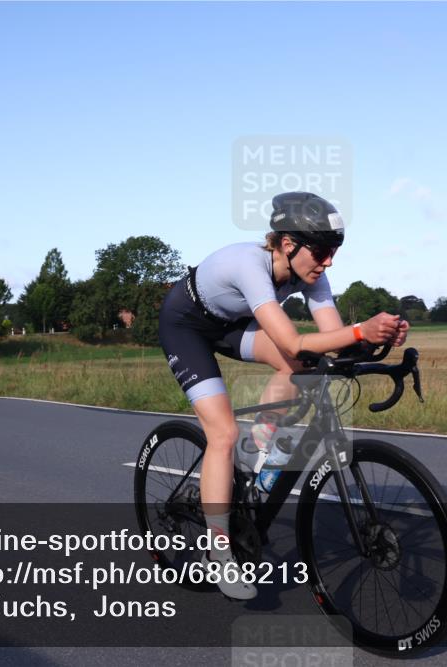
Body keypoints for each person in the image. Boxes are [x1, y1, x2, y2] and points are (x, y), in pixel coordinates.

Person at [158, 192, 409, 599]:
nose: (329, 261)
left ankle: (259, 439)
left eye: (335, 251)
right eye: (324, 251)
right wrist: (362, 329)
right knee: (220, 435)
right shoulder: (249, 265)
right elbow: (293, 341)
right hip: (185, 325)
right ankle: (218, 551)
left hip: (230, 325)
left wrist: (379, 340)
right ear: (288, 244)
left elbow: (330, 340)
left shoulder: (311, 273)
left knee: (305, 368)